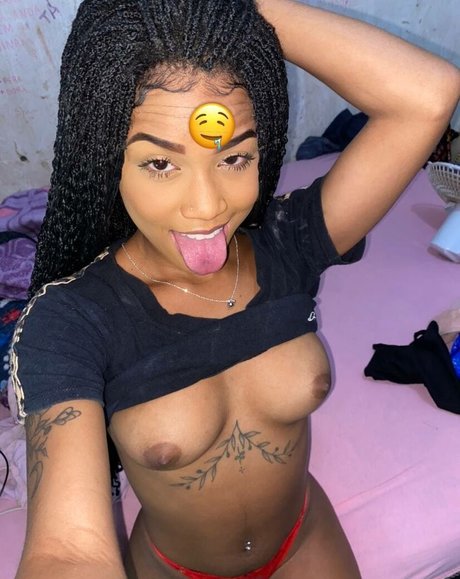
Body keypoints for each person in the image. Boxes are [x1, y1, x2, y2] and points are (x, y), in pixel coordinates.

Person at [10, 0, 459, 577]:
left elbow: (429, 95)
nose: (207, 207)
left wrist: (235, 9)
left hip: (304, 539)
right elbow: (67, 553)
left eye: (235, 157)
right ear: (105, 161)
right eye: (160, 164)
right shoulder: (70, 322)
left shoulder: (288, 242)